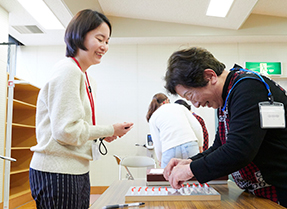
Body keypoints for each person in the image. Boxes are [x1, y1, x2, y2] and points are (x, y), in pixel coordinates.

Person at [163, 47, 287, 209]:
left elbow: (239, 151)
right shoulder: (226, 98)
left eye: (190, 96)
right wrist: (190, 161)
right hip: (268, 192)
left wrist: (190, 170)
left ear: (210, 76)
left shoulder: (248, 87)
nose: (195, 104)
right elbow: (220, 146)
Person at [29, 9, 133, 209]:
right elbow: (67, 131)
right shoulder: (68, 71)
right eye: (100, 39)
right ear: (79, 35)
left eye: (107, 41)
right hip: (58, 171)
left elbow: (73, 128)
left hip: (73, 169)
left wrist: (99, 135)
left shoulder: (83, 74)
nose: (105, 46)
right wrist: (110, 129)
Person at [146, 93, 203, 168]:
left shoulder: (153, 117)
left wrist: (160, 159)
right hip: (189, 143)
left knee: (168, 177)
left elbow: (157, 143)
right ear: (166, 101)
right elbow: (197, 127)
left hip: (169, 148)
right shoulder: (180, 107)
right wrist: (200, 146)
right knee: (195, 175)